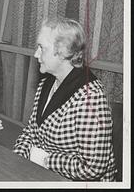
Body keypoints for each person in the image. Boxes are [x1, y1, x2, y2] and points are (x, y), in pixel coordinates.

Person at [13, 17, 117, 181]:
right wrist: (15, 159)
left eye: (42, 48)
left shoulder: (91, 98)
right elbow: (31, 132)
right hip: (47, 174)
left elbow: (93, 167)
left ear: (63, 52)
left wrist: (46, 160)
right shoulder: (46, 83)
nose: (36, 54)